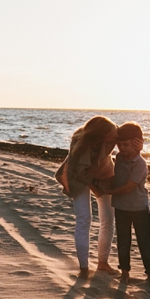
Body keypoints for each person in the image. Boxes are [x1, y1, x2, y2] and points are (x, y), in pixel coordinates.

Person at [55, 116, 119, 279]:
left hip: (103, 174)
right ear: (101, 135)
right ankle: (84, 268)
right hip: (78, 176)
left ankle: (102, 263)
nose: (115, 136)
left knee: (108, 219)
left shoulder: (112, 135)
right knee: (84, 219)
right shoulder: (81, 144)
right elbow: (79, 172)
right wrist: (93, 181)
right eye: (111, 134)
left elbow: (125, 135)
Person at [99, 123, 150, 288]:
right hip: (121, 207)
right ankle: (125, 273)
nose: (122, 148)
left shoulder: (140, 163)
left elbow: (129, 187)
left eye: (126, 145)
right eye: (120, 145)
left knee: (144, 243)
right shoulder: (119, 157)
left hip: (139, 208)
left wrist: (109, 190)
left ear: (137, 143)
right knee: (123, 242)